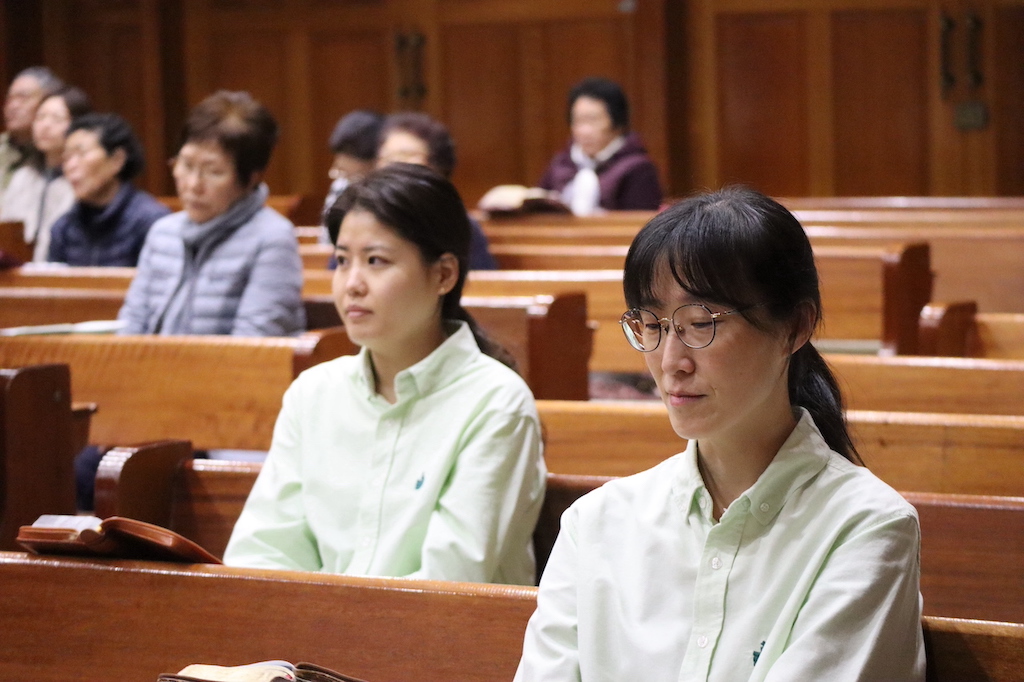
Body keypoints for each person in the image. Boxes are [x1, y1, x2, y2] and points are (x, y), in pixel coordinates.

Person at [515, 187, 925, 680]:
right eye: (652, 325)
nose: (671, 363)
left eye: (700, 323)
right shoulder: (597, 523)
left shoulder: (866, 527)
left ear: (795, 327)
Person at [223, 163, 546, 585]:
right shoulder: (314, 394)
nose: (351, 284)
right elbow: (262, 553)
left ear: (443, 275)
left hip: (439, 627)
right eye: (342, 261)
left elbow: (450, 581)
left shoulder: (495, 402)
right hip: (312, 626)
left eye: (376, 260)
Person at [117, 90, 304, 336]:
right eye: (186, 165)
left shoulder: (272, 238)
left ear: (250, 178)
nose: (193, 184)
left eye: (214, 171)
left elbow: (254, 344)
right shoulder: (162, 233)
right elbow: (130, 326)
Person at [376, 111, 498, 270]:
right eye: (387, 157)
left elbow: (480, 281)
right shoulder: (364, 218)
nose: (394, 164)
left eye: (406, 155)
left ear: (437, 167)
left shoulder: (458, 224)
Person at [47, 112, 169, 266]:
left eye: (81, 154)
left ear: (117, 160)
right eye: (67, 158)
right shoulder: (64, 228)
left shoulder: (151, 222)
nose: (70, 166)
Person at [538, 76, 662, 215]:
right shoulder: (561, 164)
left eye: (593, 120)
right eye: (578, 120)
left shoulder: (638, 169)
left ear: (617, 123)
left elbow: (641, 223)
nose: (584, 131)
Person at [0, 85, 90, 261]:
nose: (45, 126)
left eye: (57, 119)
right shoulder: (23, 177)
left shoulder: (82, 182)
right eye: (40, 117)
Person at [0, 66, 63, 211]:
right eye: (9, 99)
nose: (12, 106)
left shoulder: (58, 152)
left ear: (47, 102)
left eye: (23, 98)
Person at [321, 109, 383, 226]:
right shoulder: (341, 186)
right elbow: (328, 231)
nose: (339, 164)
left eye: (348, 154)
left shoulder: (391, 190)